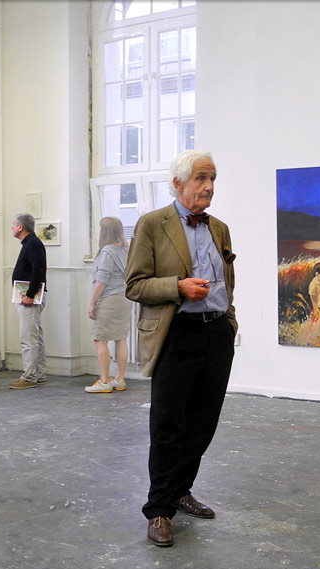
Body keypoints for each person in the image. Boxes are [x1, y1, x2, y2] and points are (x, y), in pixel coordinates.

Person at [125, 149, 237, 547]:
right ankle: (158, 509)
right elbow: (135, 284)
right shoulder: (152, 224)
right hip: (176, 334)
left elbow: (227, 281)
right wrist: (177, 287)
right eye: (201, 179)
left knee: (203, 423)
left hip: (215, 334)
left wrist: (229, 322)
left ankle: (180, 489)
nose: (209, 186)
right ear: (178, 184)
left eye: (212, 179)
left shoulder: (219, 228)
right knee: (168, 425)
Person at [85, 217, 131, 393]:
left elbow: (101, 280)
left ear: (105, 232)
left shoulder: (107, 251)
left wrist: (92, 303)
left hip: (109, 299)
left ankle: (104, 381)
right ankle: (119, 379)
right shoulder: (125, 250)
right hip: (124, 298)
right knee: (121, 338)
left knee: (100, 339)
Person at [9, 213, 47, 389]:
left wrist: (30, 294)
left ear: (20, 227)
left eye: (13, 225)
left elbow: (38, 270)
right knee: (35, 336)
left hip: (30, 298)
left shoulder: (32, 243)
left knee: (28, 338)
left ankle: (29, 377)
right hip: (28, 297)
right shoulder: (31, 243)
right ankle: (38, 374)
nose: (12, 228)